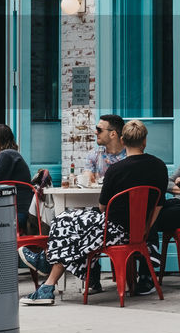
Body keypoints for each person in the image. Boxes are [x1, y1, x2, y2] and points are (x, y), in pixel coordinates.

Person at [19, 119, 167, 305]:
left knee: (63, 220)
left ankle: (47, 265)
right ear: (144, 141)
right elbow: (159, 205)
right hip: (137, 232)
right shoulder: (160, 166)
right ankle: (47, 281)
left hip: (114, 231)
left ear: (123, 140)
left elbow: (103, 207)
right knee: (73, 229)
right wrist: (145, 229)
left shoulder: (116, 170)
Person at [83, 114, 128, 186]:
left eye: (99, 130)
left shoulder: (130, 155)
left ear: (113, 134)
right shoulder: (94, 155)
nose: (95, 132)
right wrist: (86, 178)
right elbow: (87, 180)